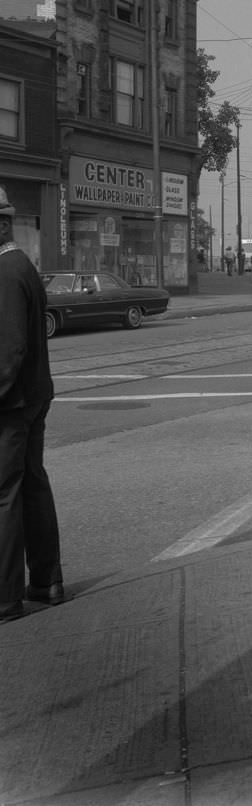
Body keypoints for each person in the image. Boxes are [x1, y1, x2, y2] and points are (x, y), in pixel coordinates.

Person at [0, 187, 64, 623]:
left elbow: (10, 350)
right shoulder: (22, 266)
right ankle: (46, 581)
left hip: (13, 403)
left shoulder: (5, 271)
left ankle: (6, 598)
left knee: (5, 494)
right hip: (34, 396)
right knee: (33, 484)